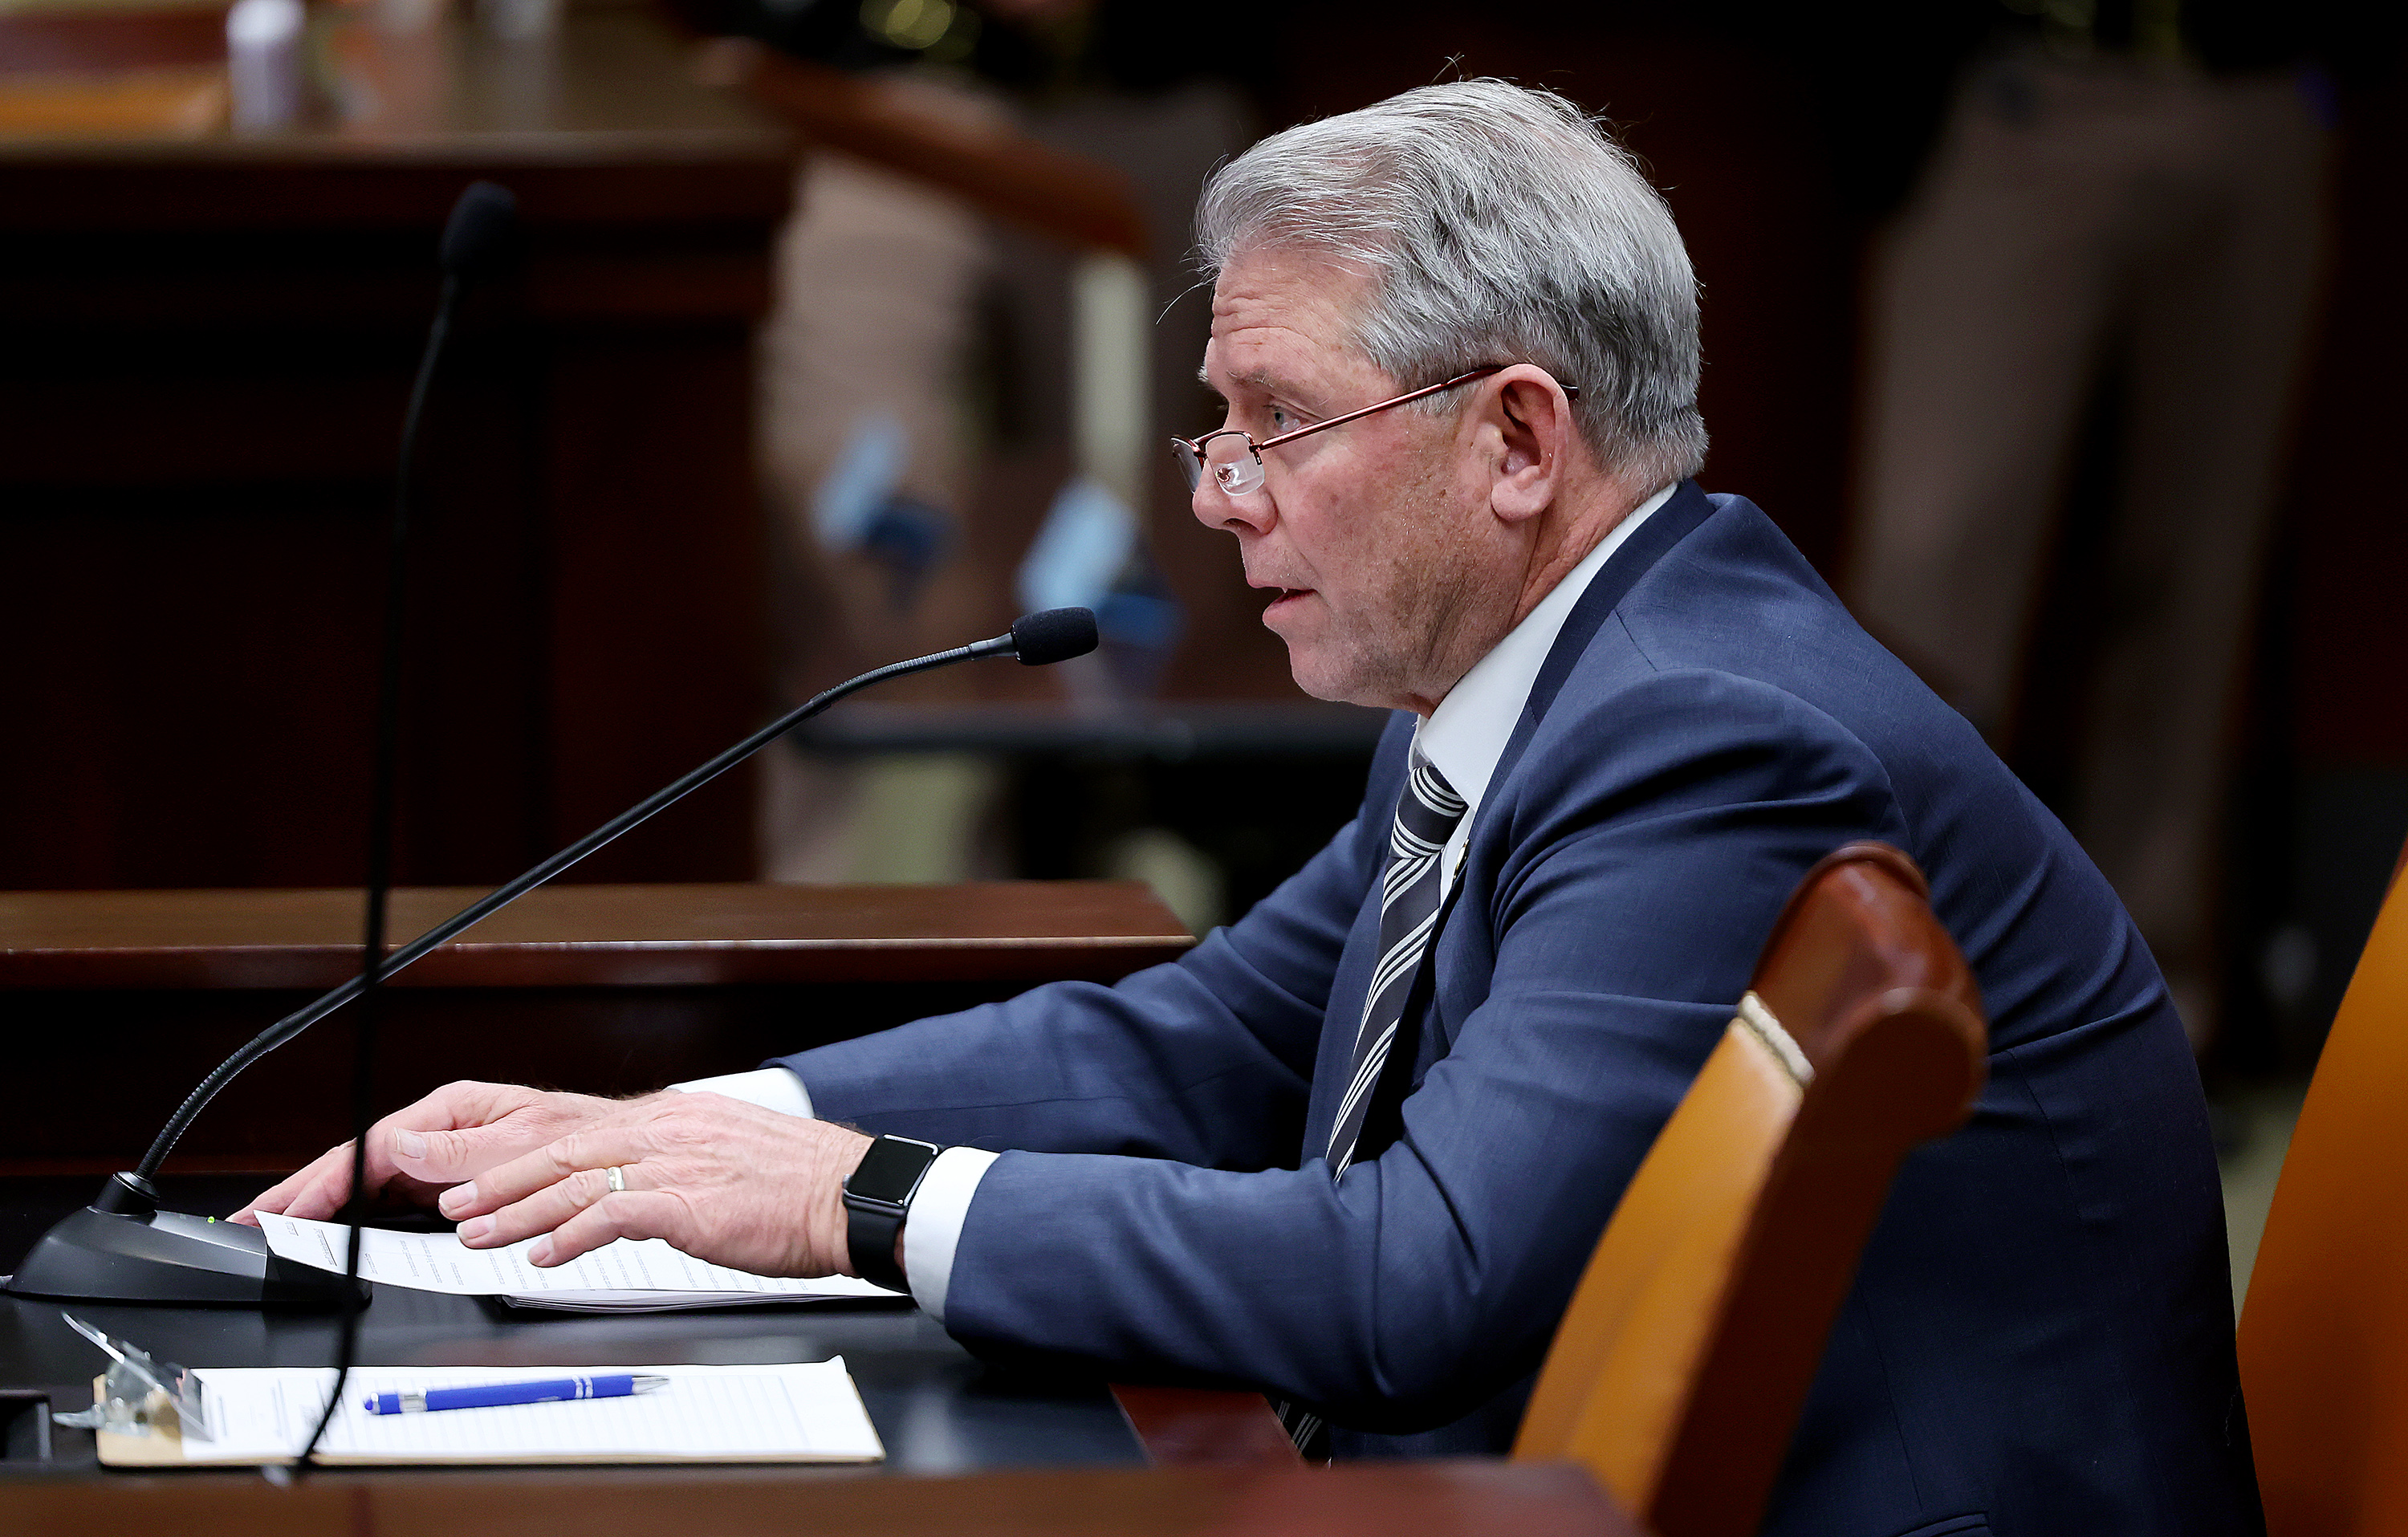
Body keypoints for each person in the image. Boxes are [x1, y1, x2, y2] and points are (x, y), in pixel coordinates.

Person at [243, 82, 2257, 1534]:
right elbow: (1207, 1035)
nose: (1221, 496)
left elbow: (1416, 1275)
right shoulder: (1559, 663)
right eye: (1220, 428)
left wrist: (854, 1200)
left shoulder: (1705, 736)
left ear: (1518, 439)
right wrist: (706, 1136)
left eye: (1279, 424)